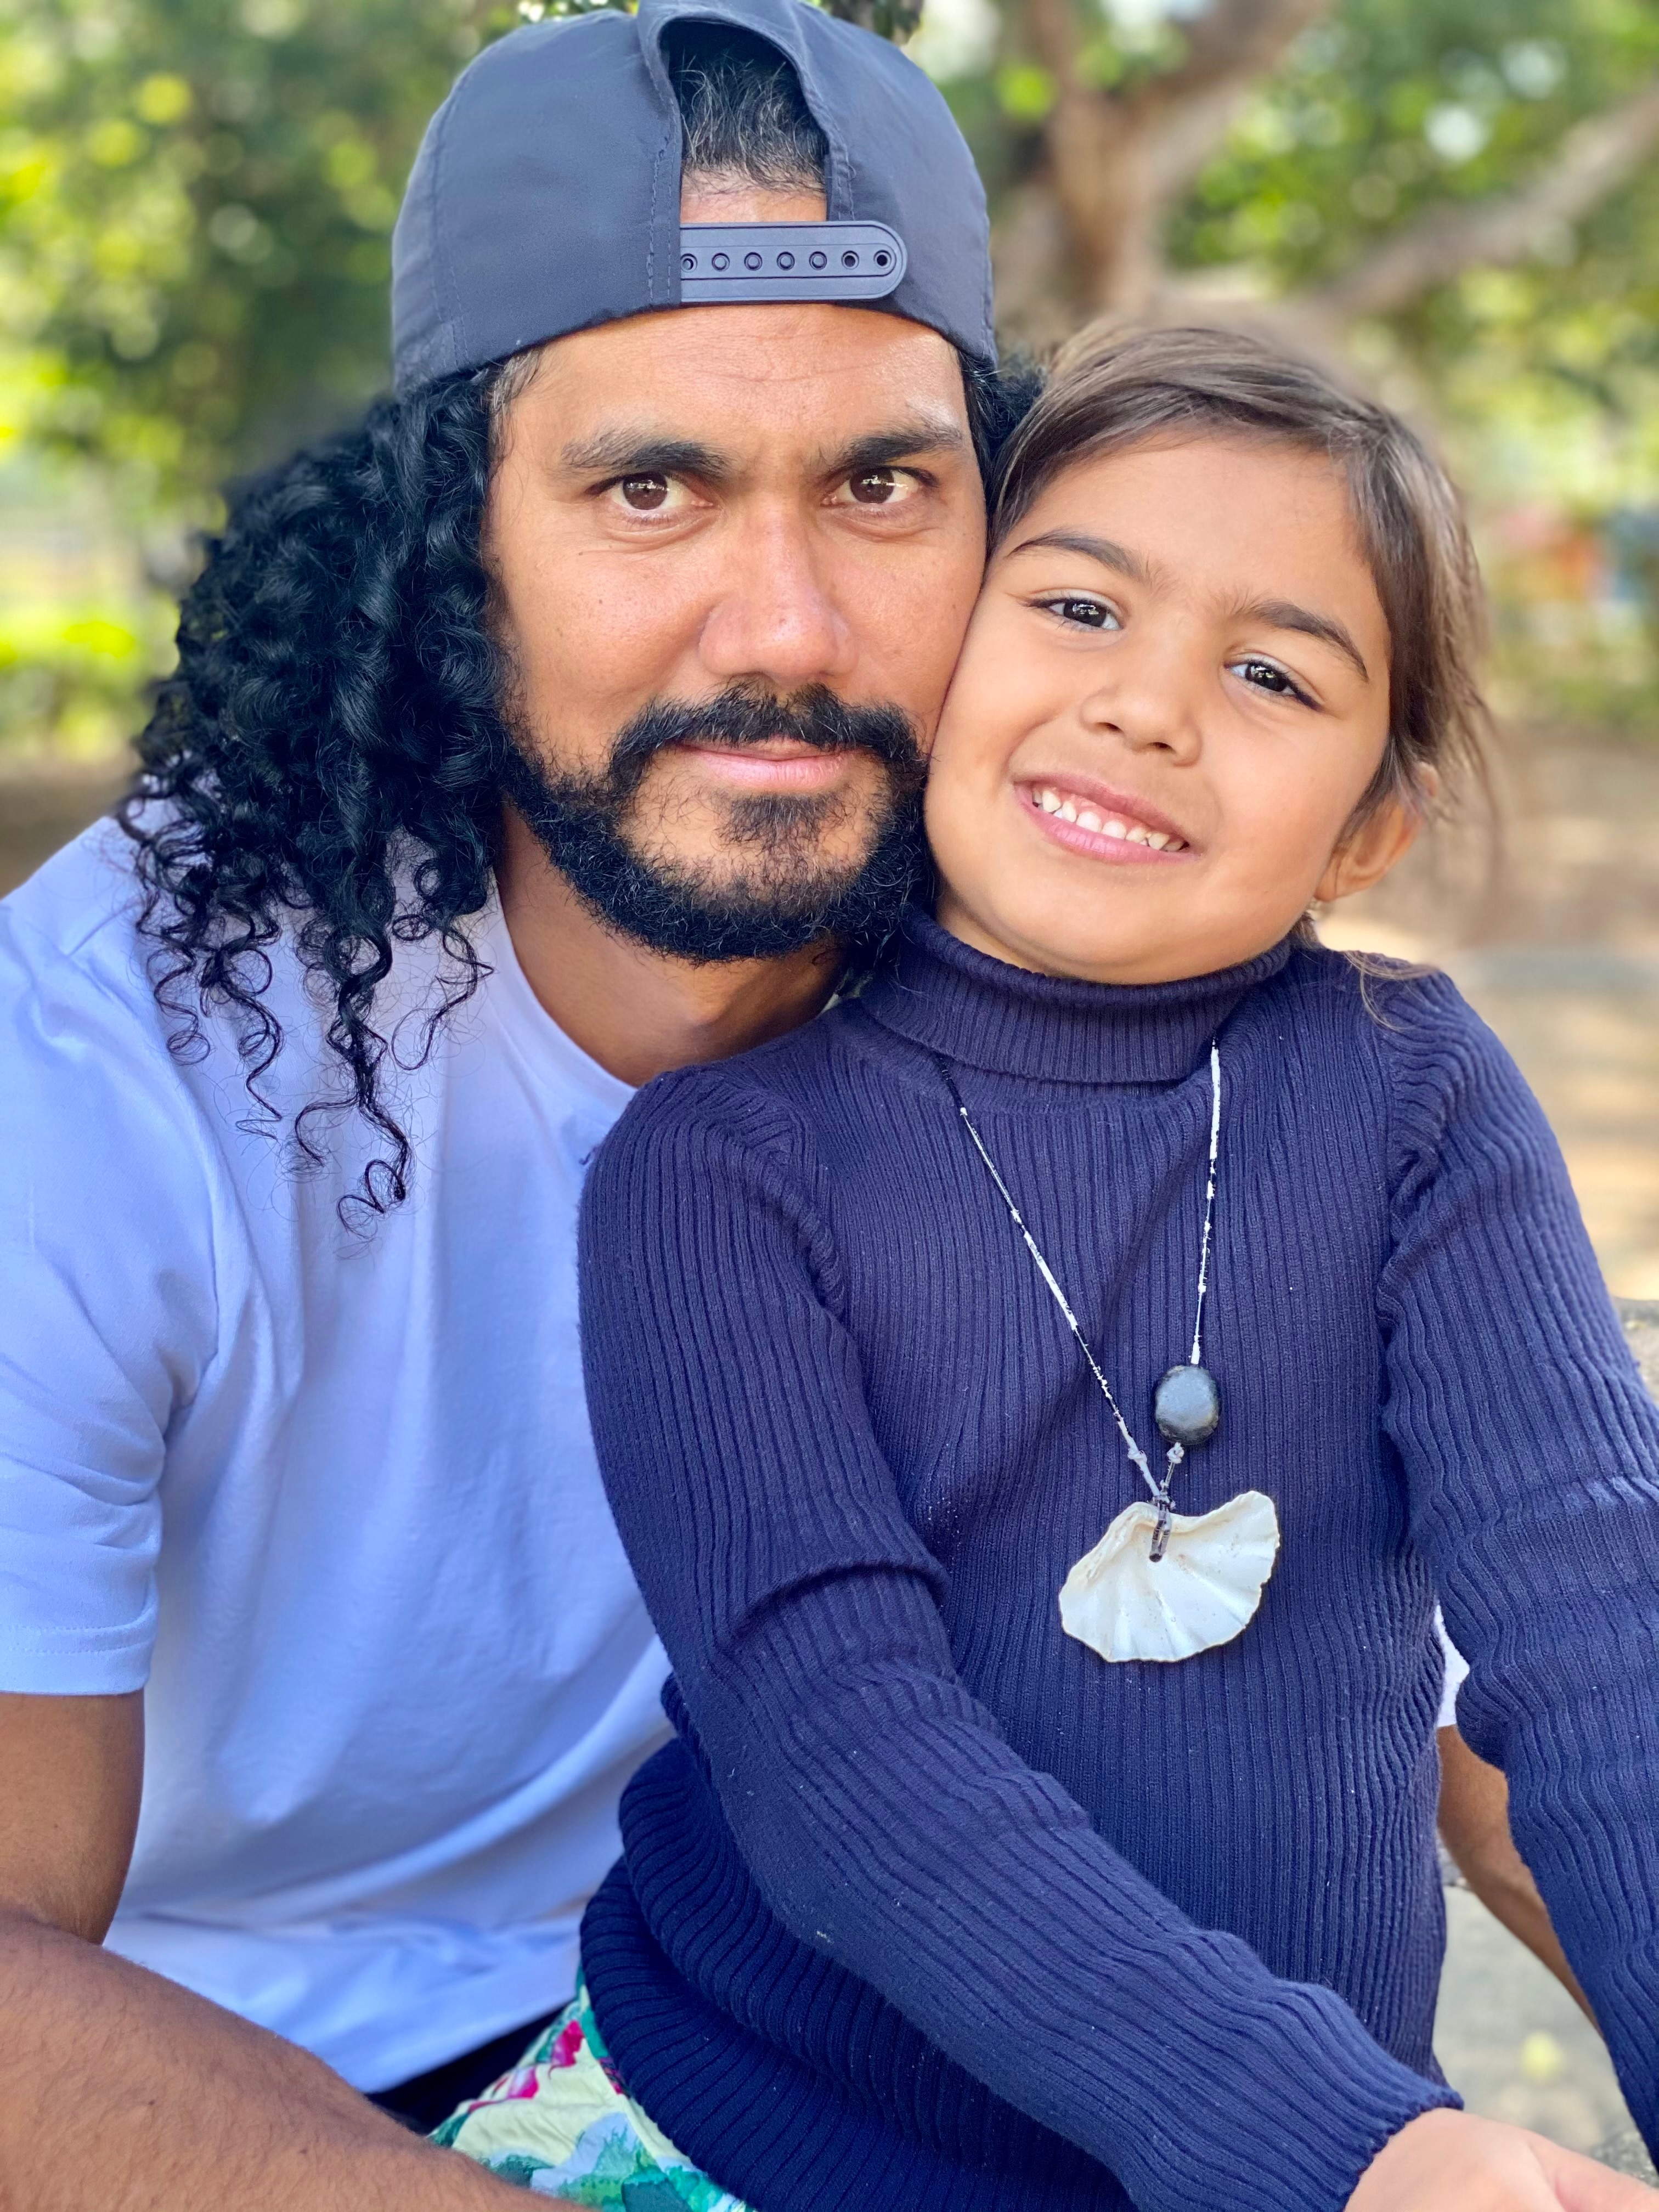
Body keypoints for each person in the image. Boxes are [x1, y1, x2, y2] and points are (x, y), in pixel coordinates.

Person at [445, 328, 1659, 2208]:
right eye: (1080, 608)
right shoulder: (723, 1168)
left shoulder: (1411, 1095)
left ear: (1369, 828)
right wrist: (1345, 2150)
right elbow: (840, 1755)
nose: (1148, 709)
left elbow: (1603, 1645)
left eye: (1272, 673)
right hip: (762, 2141)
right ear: (943, 662)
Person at [0, 3, 1030, 2205]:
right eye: (651, 487)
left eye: (882, 486)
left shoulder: (1075, 982)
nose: (786, 628)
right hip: (198, 2090)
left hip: (776, 2027)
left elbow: (1501, 1692)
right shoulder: (98, 1070)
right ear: (450, 542)